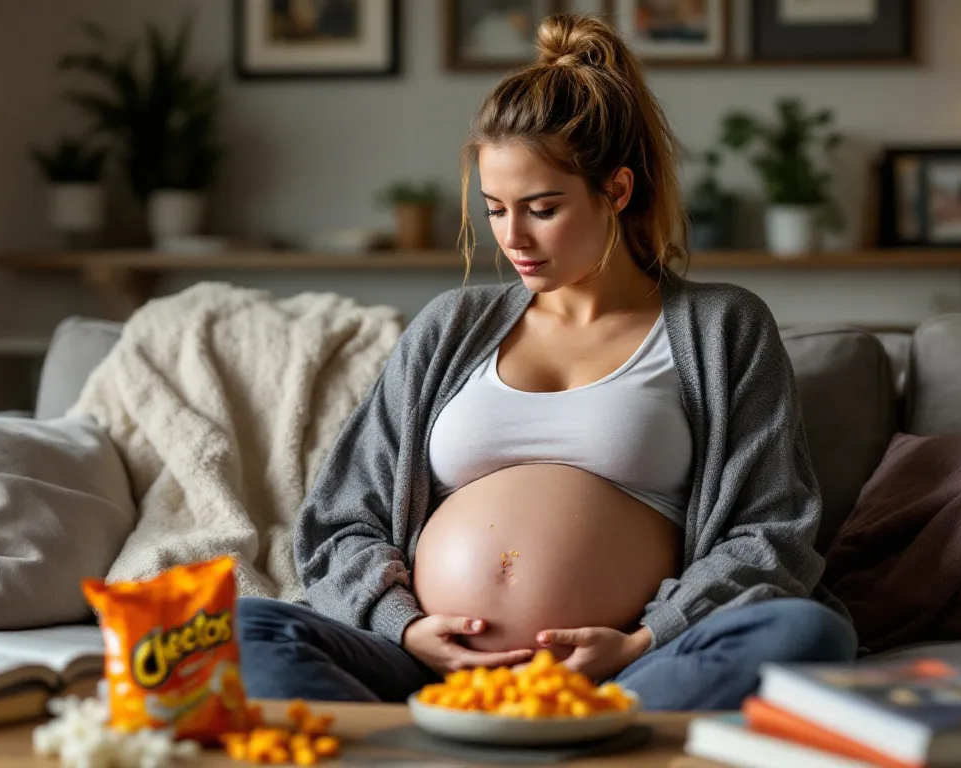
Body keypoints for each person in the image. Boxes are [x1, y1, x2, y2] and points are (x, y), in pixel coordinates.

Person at [235, 12, 856, 711]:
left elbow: (771, 531)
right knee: (240, 627)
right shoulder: (449, 327)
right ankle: (484, 737)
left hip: (629, 673)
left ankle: (552, 734)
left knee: (803, 631)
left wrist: (645, 639)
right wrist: (405, 629)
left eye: (542, 207)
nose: (514, 239)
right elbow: (342, 517)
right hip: (431, 672)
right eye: (496, 210)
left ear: (616, 192)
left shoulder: (722, 326)